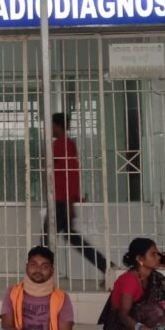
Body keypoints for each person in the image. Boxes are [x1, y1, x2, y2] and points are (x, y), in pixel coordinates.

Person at [44, 112, 109, 274]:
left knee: (47, 240)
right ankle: (106, 267)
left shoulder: (63, 145)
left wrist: (69, 202)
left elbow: (70, 174)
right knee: (71, 238)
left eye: (51, 125)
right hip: (60, 200)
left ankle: (41, 275)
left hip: (61, 202)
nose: (49, 129)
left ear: (58, 126)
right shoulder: (62, 144)